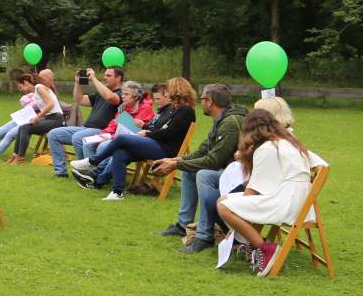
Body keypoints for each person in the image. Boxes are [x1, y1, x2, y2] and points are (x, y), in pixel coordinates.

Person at [150, 84, 246, 254]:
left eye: (202, 99)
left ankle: (204, 236)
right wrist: (175, 159)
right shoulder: (222, 119)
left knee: (203, 174)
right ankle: (182, 224)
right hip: (230, 172)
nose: (201, 103)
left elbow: (214, 160)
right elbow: (204, 150)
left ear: (210, 101)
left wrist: (175, 164)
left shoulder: (230, 123)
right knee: (189, 170)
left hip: (239, 178)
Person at [218, 111, 314, 275]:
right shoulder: (287, 142)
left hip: (287, 203)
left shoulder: (267, 148)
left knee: (224, 207)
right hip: (298, 200)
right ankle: (254, 244)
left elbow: (255, 189)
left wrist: (236, 220)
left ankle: (265, 248)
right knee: (225, 200)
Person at [74, 78, 196, 199]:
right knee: (120, 152)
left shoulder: (186, 111)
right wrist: (145, 127)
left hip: (165, 149)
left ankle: (93, 162)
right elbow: (157, 127)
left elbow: (169, 133)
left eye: (168, 90)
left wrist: (146, 134)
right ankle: (116, 192)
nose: (167, 93)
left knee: (122, 139)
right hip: (154, 143)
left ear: (176, 91)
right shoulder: (173, 109)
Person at [67, 79, 153, 189]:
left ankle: (96, 177)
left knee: (108, 147)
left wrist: (110, 138)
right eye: (123, 93)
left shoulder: (145, 109)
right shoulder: (123, 107)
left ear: (136, 97)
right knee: (90, 142)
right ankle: (89, 173)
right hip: (119, 139)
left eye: (126, 94)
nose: (123, 96)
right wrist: (103, 135)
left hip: (135, 143)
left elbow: (137, 132)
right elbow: (113, 125)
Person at [45, 65, 124, 177]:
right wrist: (77, 83)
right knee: (53, 134)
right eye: (105, 75)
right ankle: (60, 172)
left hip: (104, 131)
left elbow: (111, 98)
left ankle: (86, 173)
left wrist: (94, 79)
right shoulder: (100, 93)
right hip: (85, 129)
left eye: (108, 75)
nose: (104, 77)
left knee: (79, 136)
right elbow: (79, 100)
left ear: (118, 78)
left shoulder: (122, 94)